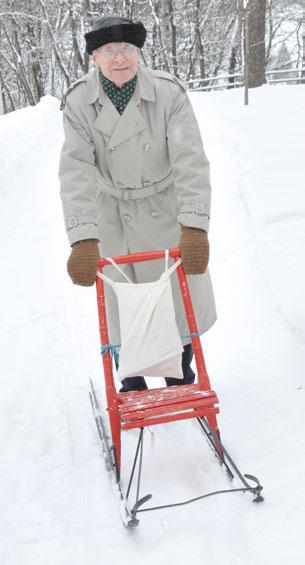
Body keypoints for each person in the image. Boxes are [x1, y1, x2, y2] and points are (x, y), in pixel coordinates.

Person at [58, 15, 217, 392]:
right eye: (109, 51)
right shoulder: (80, 101)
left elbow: (190, 160)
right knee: (121, 304)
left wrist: (194, 226)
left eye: (128, 49)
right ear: (94, 57)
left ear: (139, 52)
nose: (120, 59)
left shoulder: (168, 94)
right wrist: (83, 237)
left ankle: (180, 373)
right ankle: (131, 380)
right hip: (110, 213)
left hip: (161, 207)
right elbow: (76, 169)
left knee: (175, 301)